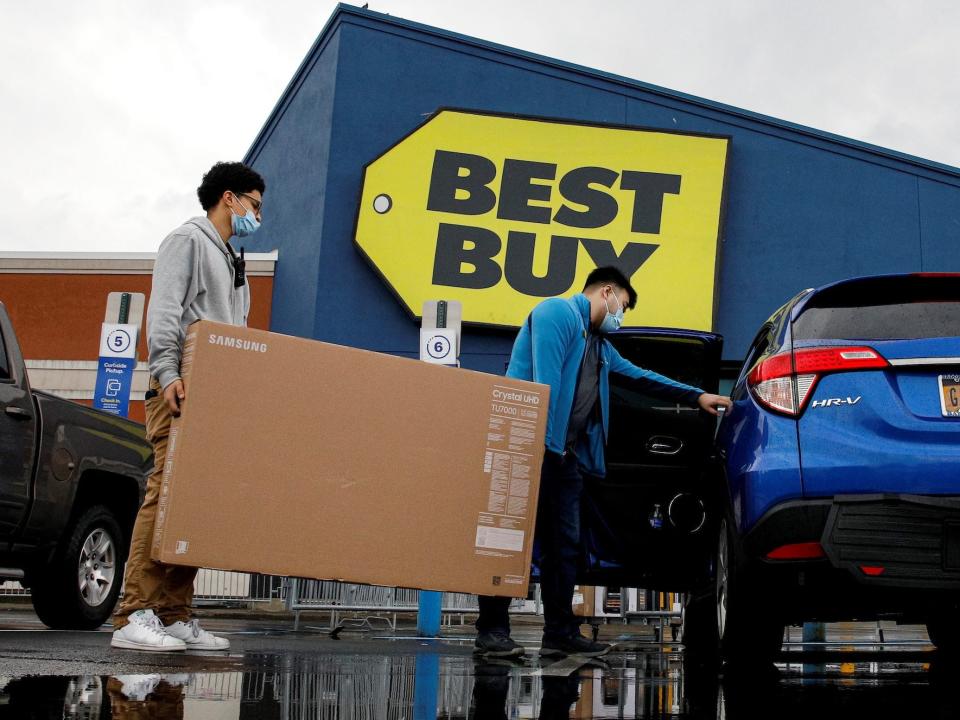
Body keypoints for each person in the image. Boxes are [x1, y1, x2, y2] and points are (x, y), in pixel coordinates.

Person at [474, 266, 732, 659]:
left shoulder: (600, 347)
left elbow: (642, 378)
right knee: (510, 543)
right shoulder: (555, 314)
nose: (620, 315)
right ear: (607, 292)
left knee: (566, 548)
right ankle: (492, 631)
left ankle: (559, 632)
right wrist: (547, 446)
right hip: (526, 450)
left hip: (564, 459)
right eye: (622, 306)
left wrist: (697, 395)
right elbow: (546, 383)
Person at [111, 161, 265, 652]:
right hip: (181, 389)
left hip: (216, 397)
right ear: (229, 198)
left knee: (194, 504)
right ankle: (133, 614)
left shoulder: (231, 257)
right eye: (254, 206)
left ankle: (173, 614)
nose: (257, 216)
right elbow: (166, 310)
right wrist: (167, 372)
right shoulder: (188, 241)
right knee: (165, 494)